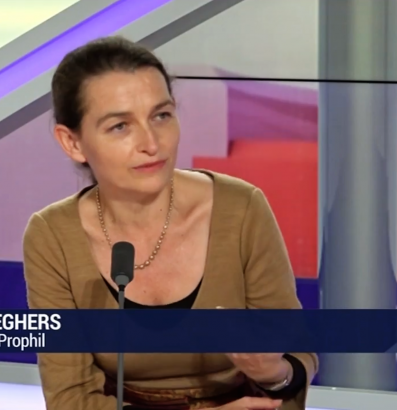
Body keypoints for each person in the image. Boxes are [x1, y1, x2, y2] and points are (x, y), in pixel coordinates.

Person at [22, 36, 318, 410]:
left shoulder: (241, 208)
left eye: (161, 115)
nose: (151, 143)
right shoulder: (52, 236)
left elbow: (296, 356)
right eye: (120, 126)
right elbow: (70, 398)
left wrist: (274, 373)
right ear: (72, 143)